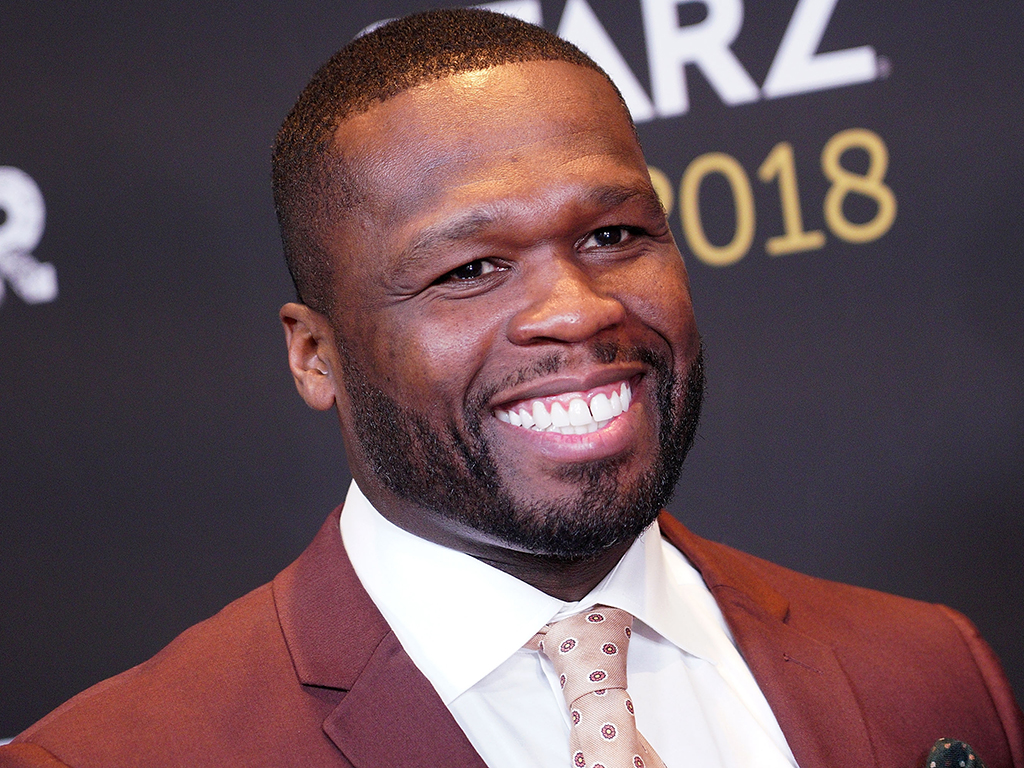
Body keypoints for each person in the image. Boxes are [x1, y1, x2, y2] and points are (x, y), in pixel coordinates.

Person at [2, 8, 1021, 768]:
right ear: (314, 355)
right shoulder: (113, 756)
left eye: (613, 234)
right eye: (471, 269)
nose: (576, 310)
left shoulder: (927, 672)